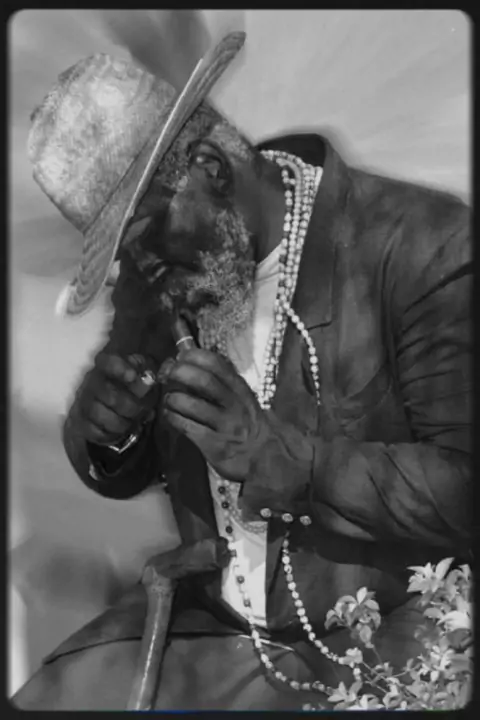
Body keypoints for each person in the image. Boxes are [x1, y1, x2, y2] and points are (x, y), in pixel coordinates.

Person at [12, 43, 471, 711]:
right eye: (122, 252)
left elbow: (465, 485)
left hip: (380, 633)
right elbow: (123, 453)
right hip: (208, 623)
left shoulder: (422, 243)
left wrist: (283, 460)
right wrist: (108, 428)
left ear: (211, 167)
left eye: (144, 232)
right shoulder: (161, 272)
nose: (138, 265)